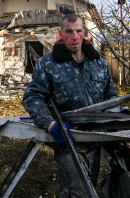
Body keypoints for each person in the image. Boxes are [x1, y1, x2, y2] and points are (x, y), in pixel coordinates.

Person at [23, 14, 118, 197]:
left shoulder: (99, 63)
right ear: (61, 34)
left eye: (78, 31)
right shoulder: (47, 64)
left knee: (89, 186)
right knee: (78, 192)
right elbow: (33, 97)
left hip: (95, 139)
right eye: (69, 32)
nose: (74, 37)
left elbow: (111, 96)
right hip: (68, 139)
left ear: (84, 33)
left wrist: (113, 122)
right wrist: (52, 125)